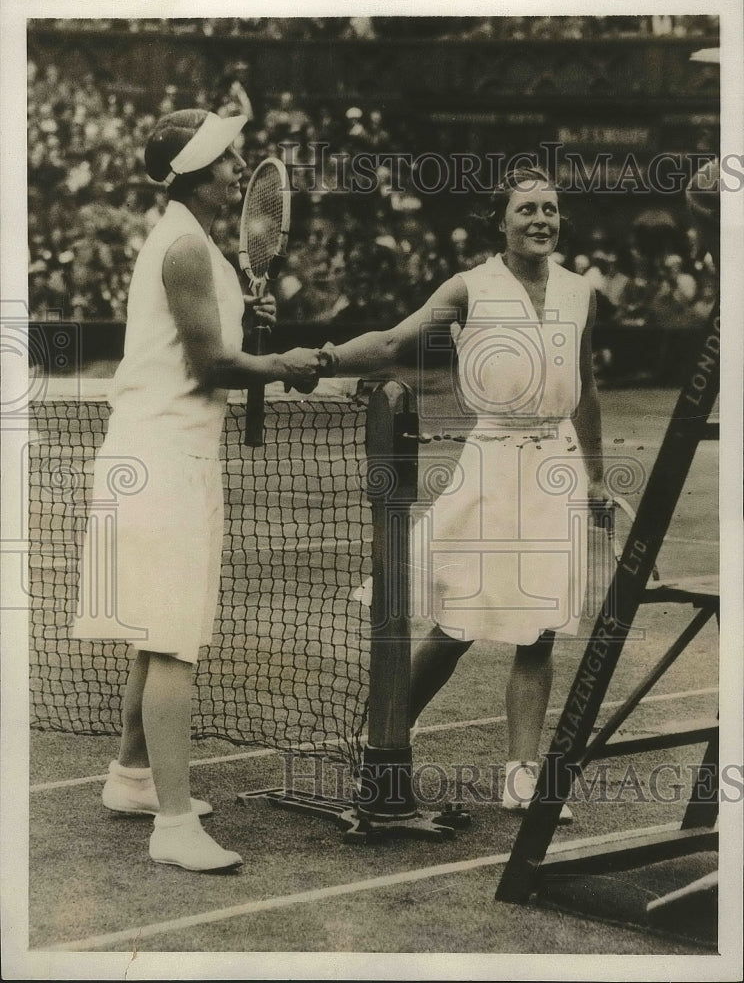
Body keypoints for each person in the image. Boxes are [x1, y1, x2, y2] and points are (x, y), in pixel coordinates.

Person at [73, 109, 322, 871]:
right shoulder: (185, 246)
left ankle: (132, 777)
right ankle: (174, 827)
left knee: (157, 635)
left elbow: (215, 348)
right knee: (175, 643)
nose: (240, 167)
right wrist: (288, 363)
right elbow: (214, 364)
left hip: (164, 455)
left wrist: (253, 330)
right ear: (205, 168)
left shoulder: (195, 244)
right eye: (229, 157)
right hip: (159, 460)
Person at [320, 166, 607, 821]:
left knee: (540, 632)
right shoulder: (468, 287)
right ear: (500, 221)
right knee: (455, 628)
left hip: (555, 468)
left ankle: (522, 775)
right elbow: (394, 339)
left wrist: (592, 475)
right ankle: (382, 743)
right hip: (491, 467)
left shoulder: (579, 291)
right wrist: (325, 358)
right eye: (527, 209)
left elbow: (587, 388)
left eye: (551, 210)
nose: (541, 220)